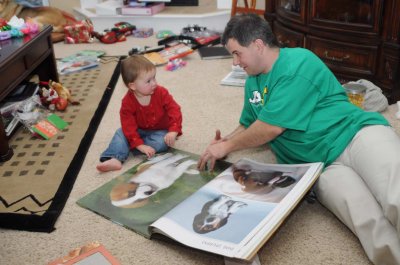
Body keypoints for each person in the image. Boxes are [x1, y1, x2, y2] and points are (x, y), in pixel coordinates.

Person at [198, 14, 400, 265]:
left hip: (356, 134)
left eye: (237, 53)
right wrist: (222, 143)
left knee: (395, 194)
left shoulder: (298, 62)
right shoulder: (253, 81)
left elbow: (270, 128)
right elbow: (249, 124)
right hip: (321, 166)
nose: (235, 62)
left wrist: (227, 146)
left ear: (258, 45)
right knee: (369, 224)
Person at [97, 55, 182, 172]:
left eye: (154, 78)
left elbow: (174, 110)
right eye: (148, 81)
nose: (154, 83)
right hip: (138, 130)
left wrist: (173, 130)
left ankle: (131, 145)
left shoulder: (161, 92)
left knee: (162, 142)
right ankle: (115, 158)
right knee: (121, 132)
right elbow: (128, 125)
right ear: (132, 86)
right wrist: (139, 143)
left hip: (160, 130)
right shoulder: (127, 102)